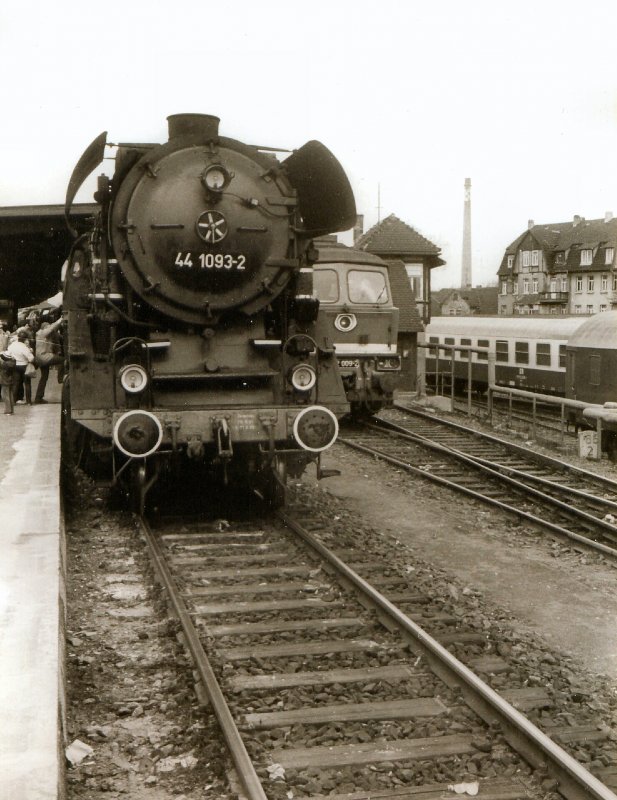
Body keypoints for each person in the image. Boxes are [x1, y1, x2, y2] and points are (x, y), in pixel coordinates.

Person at [33, 317, 63, 403]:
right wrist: (60, 319)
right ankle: (60, 378)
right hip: (45, 357)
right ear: (45, 328)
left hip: (40, 358)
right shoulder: (42, 333)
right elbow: (52, 327)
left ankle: (38, 398)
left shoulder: (42, 335)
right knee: (63, 360)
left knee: (44, 377)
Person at [8, 330, 35, 405]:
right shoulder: (24, 347)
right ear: (25, 339)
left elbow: (8, 353)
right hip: (24, 365)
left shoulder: (12, 345)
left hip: (15, 365)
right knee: (27, 383)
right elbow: (31, 358)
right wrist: (30, 351)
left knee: (16, 383)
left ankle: (13, 401)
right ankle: (28, 401)